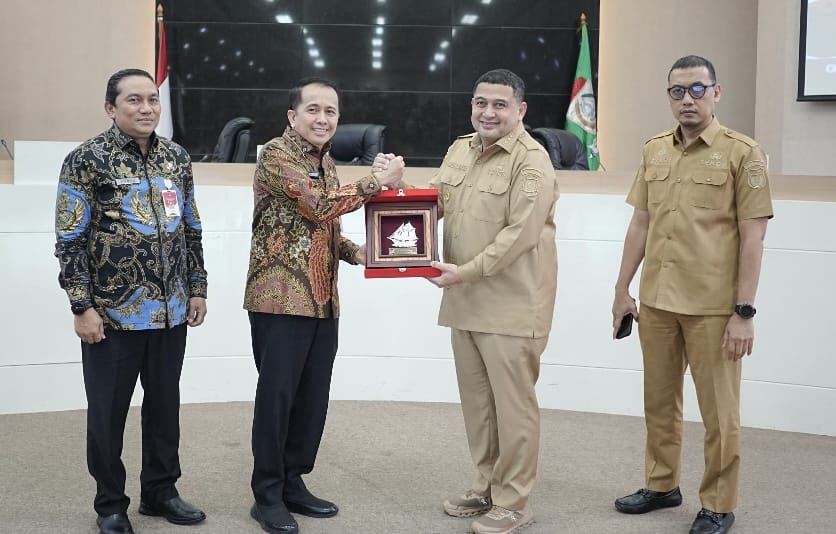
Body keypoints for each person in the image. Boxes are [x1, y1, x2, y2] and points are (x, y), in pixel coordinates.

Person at [611, 55, 773, 534]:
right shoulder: (654, 150)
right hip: (658, 302)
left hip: (713, 309)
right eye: (678, 91)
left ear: (716, 93)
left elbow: (754, 238)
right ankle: (662, 485)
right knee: (659, 402)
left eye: (698, 89)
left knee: (720, 414)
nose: (687, 99)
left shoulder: (743, 153)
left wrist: (744, 312)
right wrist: (622, 289)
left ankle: (719, 504)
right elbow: (640, 223)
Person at [243, 77, 405, 534]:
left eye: (330, 111)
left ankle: (293, 481)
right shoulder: (276, 155)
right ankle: (267, 494)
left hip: (322, 300)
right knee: (277, 399)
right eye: (313, 110)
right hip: (279, 300)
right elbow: (316, 206)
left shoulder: (327, 161)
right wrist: (377, 181)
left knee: (311, 398)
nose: (322, 118)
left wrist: (361, 252)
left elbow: (324, 228)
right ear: (292, 116)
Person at [54, 68, 208, 534]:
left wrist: (197, 287)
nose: (146, 108)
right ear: (111, 108)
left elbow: (191, 229)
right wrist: (81, 307)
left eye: (152, 100)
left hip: (170, 314)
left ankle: (160, 492)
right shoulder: (86, 159)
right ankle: (110, 505)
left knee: (164, 410)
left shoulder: (176, 157)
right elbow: (69, 240)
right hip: (111, 317)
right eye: (134, 100)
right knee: (108, 416)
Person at [424, 68, 559, 534]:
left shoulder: (532, 161)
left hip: (511, 306)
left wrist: (464, 272)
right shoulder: (460, 149)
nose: (488, 112)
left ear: (521, 110)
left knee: (513, 409)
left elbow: (520, 235)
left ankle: (514, 502)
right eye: (481, 102)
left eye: (500, 104)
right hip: (464, 300)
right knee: (479, 406)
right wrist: (394, 193)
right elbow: (433, 203)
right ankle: (485, 485)